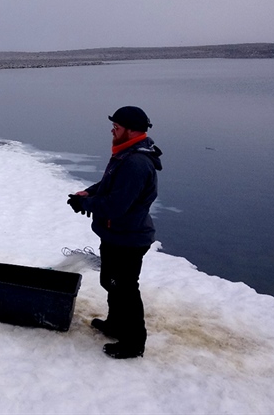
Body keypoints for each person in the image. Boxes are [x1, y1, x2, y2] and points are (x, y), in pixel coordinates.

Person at [68, 106, 163, 359]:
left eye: (117, 127)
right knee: (111, 282)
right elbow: (109, 185)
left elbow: (115, 206)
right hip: (116, 234)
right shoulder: (126, 153)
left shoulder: (136, 163)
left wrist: (84, 204)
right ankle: (116, 324)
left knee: (125, 288)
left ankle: (133, 342)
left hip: (128, 238)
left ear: (132, 131)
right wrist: (89, 193)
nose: (112, 130)